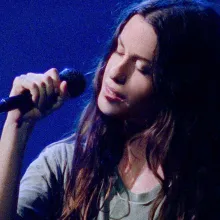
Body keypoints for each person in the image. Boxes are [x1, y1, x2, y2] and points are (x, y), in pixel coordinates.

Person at [0, 0, 220, 219]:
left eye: (143, 69)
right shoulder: (66, 164)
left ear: (181, 87)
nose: (116, 73)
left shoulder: (204, 189)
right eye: (118, 50)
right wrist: (17, 126)